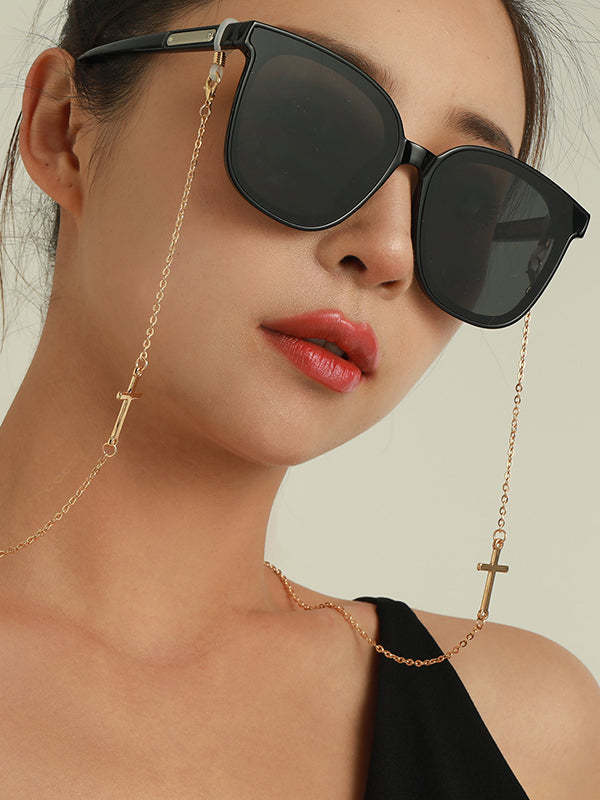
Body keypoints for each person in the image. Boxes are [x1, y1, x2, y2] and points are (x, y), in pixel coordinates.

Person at [0, 0, 598, 797]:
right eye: (311, 126)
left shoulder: (528, 736)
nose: (390, 250)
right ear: (62, 128)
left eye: (467, 204)